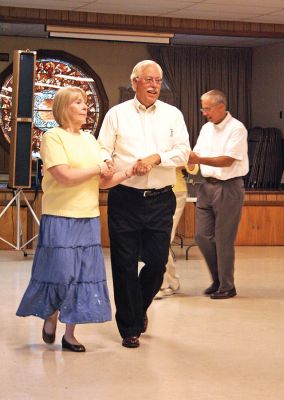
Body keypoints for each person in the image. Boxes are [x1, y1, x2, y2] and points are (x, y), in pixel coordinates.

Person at [16, 86, 136, 352]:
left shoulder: (90, 140)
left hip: (88, 216)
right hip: (60, 216)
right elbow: (65, 176)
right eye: (78, 102)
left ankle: (70, 334)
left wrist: (127, 172)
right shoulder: (52, 137)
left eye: (85, 102)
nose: (85, 107)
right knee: (61, 273)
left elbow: (103, 181)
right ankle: (51, 314)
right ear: (63, 108)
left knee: (83, 275)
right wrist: (98, 167)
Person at [98, 60, 191, 348]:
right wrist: (105, 161)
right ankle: (130, 328)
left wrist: (157, 158)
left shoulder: (173, 115)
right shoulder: (116, 114)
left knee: (156, 262)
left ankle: (137, 309)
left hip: (161, 199)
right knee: (124, 265)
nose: (154, 85)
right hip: (124, 197)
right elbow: (102, 147)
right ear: (135, 82)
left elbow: (183, 151)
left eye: (158, 80)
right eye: (148, 79)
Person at [189, 89, 249, 299]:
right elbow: (195, 154)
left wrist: (197, 160)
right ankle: (217, 279)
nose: (204, 113)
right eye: (202, 108)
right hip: (206, 186)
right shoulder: (206, 128)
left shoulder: (236, 129)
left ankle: (227, 286)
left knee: (224, 239)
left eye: (207, 108)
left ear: (221, 107)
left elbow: (227, 160)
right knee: (202, 236)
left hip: (229, 187)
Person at [155, 164, 198, 299]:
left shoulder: (176, 141)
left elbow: (193, 166)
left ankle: (160, 284)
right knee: (156, 238)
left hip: (175, 191)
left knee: (161, 238)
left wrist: (162, 161)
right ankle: (172, 282)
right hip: (149, 191)